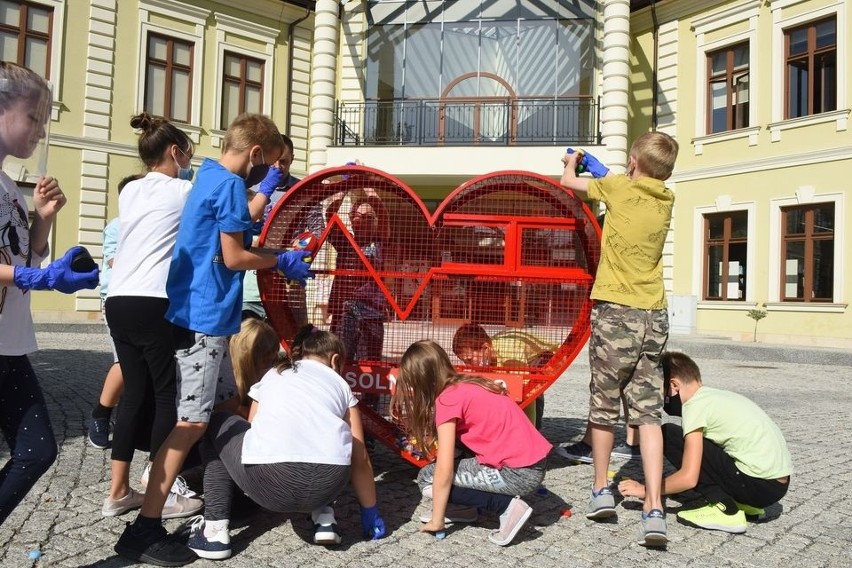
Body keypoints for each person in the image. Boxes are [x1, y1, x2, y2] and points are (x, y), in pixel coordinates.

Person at [113, 113, 314, 566]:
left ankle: (221, 505)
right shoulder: (225, 184)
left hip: (201, 315)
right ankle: (145, 527)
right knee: (191, 425)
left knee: (221, 409)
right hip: (205, 318)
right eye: (270, 165)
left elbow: (237, 222)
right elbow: (235, 254)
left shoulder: (208, 173)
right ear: (257, 154)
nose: (270, 174)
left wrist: (267, 214)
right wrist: (280, 259)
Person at [559, 131, 679, 547]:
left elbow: (568, 185)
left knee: (604, 404)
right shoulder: (665, 200)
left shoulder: (619, 187)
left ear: (632, 162)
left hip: (616, 312)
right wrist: (610, 172)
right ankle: (655, 508)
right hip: (654, 316)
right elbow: (627, 185)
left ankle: (599, 491)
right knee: (647, 413)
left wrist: (573, 163)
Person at [186, 324, 386, 560]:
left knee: (219, 422)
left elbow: (253, 431)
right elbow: (360, 458)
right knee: (327, 439)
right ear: (335, 360)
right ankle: (324, 518)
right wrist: (370, 511)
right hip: (327, 486)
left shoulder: (273, 374)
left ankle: (215, 532)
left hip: (269, 486)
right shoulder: (341, 385)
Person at [0, 62, 100, 525]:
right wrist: (34, 280)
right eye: (32, 117)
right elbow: (25, 274)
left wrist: (43, 216)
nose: (41, 129)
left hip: (10, 347)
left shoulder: (9, 187)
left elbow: (26, 257)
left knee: (37, 450)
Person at [102, 113, 203, 522]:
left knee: (134, 394)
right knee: (166, 396)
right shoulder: (183, 190)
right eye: (187, 155)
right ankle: (159, 488)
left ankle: (117, 491)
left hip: (119, 299)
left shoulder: (130, 193)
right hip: (152, 301)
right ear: (174, 153)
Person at [392, 340, 551, 546]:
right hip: (535, 462)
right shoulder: (470, 382)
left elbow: (445, 468)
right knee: (457, 456)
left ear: (422, 381)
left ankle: (506, 507)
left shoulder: (447, 400)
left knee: (427, 478)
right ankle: (464, 508)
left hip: (518, 472)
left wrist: (437, 520)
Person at [618, 351, 792, 534]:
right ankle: (744, 505)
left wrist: (646, 490)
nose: (663, 402)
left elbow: (689, 477)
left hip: (757, 486)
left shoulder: (695, 406)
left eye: (662, 393)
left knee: (669, 435)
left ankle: (727, 510)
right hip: (777, 486)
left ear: (674, 385)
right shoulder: (715, 397)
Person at [88, 173, 141, 449]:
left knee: (142, 365)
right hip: (118, 298)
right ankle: (101, 412)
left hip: (147, 300)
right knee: (124, 361)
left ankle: (133, 422)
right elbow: (114, 260)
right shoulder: (116, 226)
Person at [325, 185, 389, 362]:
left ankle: (370, 391)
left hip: (372, 312)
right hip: (344, 310)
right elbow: (330, 216)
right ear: (351, 219)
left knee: (370, 363)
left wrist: (369, 189)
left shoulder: (379, 243)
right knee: (340, 360)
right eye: (359, 216)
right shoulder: (344, 242)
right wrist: (343, 189)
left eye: (369, 217)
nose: (364, 221)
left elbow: (384, 217)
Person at [242, 134, 300, 321]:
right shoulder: (252, 186)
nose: (277, 167)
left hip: (288, 281)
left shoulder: (303, 190)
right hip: (250, 285)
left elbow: (317, 231)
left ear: (292, 159)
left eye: (283, 161)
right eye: (274, 161)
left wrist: (301, 247)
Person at [451, 323, 554, 429]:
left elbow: (523, 389)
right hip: (523, 361)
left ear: (485, 348)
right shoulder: (490, 354)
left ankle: (532, 429)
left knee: (527, 390)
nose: (468, 366)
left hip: (550, 358)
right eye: (464, 361)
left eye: (469, 360)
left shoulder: (510, 352)